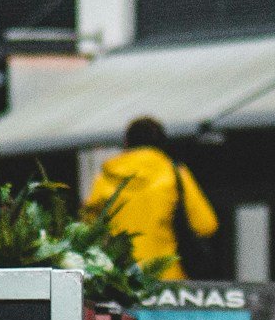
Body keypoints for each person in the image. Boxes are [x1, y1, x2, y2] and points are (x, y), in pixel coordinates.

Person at [86, 117, 219, 282]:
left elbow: (89, 228)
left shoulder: (106, 176)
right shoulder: (174, 173)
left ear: (127, 143)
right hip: (166, 277)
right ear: (162, 144)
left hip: (120, 280)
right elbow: (206, 225)